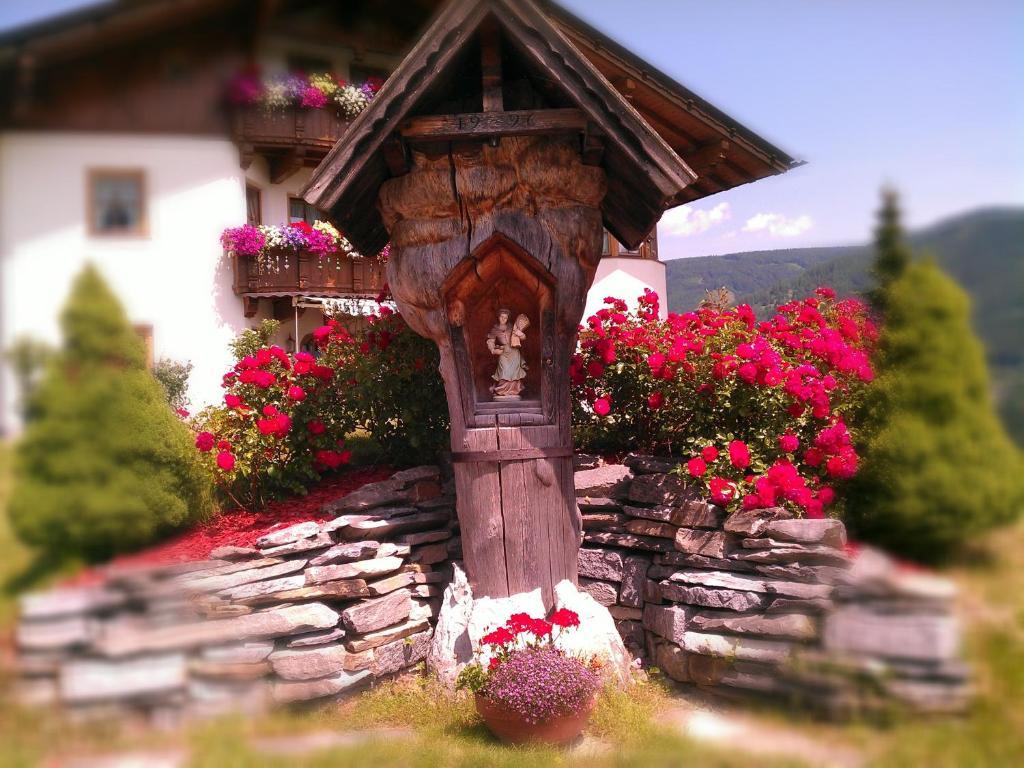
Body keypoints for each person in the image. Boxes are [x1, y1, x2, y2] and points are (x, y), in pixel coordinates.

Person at [486, 308, 528, 399]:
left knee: (514, 372)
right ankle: (501, 391)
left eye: (505, 317)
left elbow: (523, 337)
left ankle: (514, 391)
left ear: (508, 318)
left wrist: (520, 334)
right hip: (504, 352)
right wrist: (493, 350)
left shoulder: (512, 326)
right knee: (503, 371)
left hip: (514, 352)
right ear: (499, 317)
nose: (503, 319)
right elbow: (490, 341)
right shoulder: (495, 329)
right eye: (502, 317)